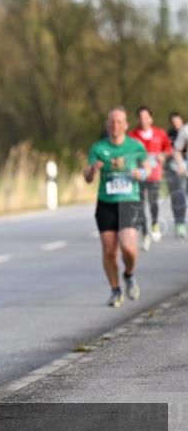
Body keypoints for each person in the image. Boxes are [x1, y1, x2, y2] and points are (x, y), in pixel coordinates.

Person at [83, 107, 149, 307]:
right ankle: (115, 290)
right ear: (107, 124)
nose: (115, 125)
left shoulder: (135, 146)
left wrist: (139, 173)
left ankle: (129, 274)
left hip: (129, 201)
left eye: (119, 121)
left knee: (128, 247)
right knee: (109, 251)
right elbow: (87, 177)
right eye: (112, 121)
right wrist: (93, 170)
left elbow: (147, 169)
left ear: (126, 125)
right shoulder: (98, 148)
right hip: (106, 203)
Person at [129, 106, 177, 249]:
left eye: (146, 117)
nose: (143, 120)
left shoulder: (160, 133)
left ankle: (155, 223)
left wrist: (164, 155)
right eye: (140, 117)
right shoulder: (132, 135)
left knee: (153, 202)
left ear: (151, 118)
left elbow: (168, 148)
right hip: (138, 175)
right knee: (139, 205)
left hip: (154, 174)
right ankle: (145, 233)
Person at [164, 111, 187, 239]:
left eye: (177, 120)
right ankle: (180, 224)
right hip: (175, 170)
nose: (175, 123)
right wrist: (180, 165)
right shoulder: (170, 134)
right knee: (178, 197)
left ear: (181, 120)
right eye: (173, 122)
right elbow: (173, 151)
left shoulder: (185, 130)